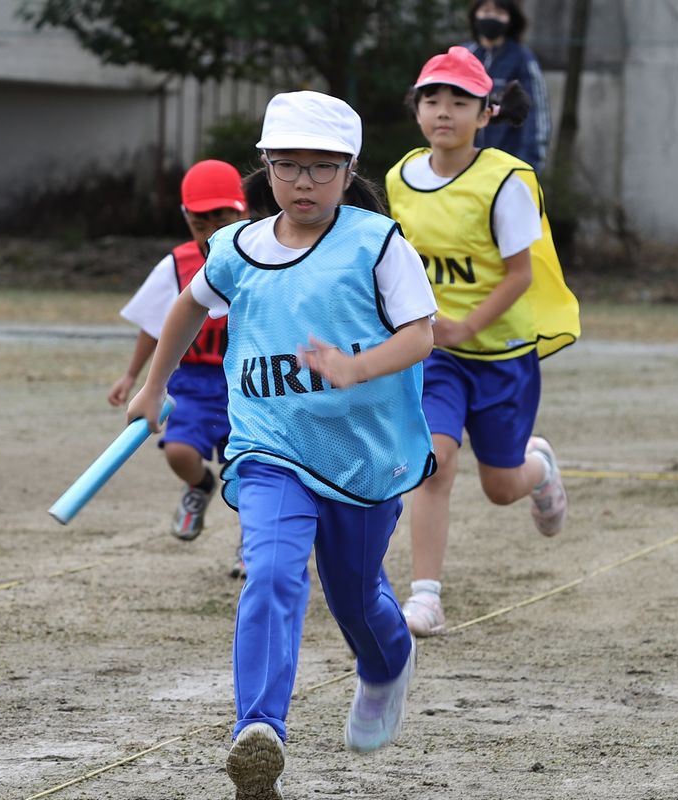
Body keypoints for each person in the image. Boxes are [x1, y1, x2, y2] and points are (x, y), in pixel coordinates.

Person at [126, 90, 438, 800]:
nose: (303, 182)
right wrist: (152, 388)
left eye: (321, 168)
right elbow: (186, 305)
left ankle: (387, 667)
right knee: (270, 570)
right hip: (270, 449)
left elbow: (420, 334)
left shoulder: (377, 243)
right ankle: (258, 730)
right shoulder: (236, 247)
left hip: (361, 453)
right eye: (288, 166)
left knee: (357, 599)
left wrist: (355, 367)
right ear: (263, 168)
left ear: (348, 169)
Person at [386, 46, 580, 638]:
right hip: (436, 356)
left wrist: (469, 325)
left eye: (458, 101)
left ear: (486, 112)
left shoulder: (504, 182)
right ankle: (426, 598)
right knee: (434, 464)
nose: (444, 111)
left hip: (501, 358)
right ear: (417, 110)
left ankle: (539, 470)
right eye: (432, 99)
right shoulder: (399, 179)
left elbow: (520, 273)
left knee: (500, 488)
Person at [108, 159, 248, 574]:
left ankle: (253, 547)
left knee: (250, 472)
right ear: (186, 218)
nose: (210, 233)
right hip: (192, 381)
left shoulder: (262, 255)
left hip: (246, 380)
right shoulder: (177, 264)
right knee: (179, 451)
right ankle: (200, 486)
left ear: (242, 211)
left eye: (220, 220)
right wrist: (132, 376)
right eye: (200, 223)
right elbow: (156, 324)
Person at [463, 0, 552, 172]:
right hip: (463, 166)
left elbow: (537, 114)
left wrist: (529, 166)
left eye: (499, 12)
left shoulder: (523, 59)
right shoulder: (465, 56)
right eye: (486, 10)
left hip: (506, 166)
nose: (492, 17)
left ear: (510, 18)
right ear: (475, 14)